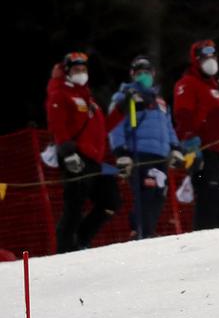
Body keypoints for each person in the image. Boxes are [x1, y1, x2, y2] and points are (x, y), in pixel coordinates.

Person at [45, 51, 117, 252]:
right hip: (75, 155)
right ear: (67, 72)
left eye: (83, 69)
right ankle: (65, 249)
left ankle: (81, 239)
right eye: (76, 69)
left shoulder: (88, 97)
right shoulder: (60, 93)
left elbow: (104, 128)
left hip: (95, 159)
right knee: (74, 207)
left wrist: (121, 110)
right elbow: (57, 124)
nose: (81, 73)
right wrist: (67, 152)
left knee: (109, 202)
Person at [108, 55, 185, 239]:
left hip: (160, 155)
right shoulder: (125, 96)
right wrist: (121, 152)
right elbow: (115, 126)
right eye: (139, 73)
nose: (143, 76)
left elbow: (168, 127)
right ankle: (142, 231)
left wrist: (175, 147)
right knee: (148, 192)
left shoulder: (160, 101)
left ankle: (143, 230)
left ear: (153, 74)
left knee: (158, 194)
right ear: (132, 75)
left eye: (146, 72)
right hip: (139, 153)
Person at [173, 39, 219, 230]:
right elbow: (182, 114)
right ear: (196, 60)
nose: (210, 60)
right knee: (208, 198)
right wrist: (189, 142)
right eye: (205, 57)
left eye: (213, 56)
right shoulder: (188, 83)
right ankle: (203, 237)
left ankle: (212, 232)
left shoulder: (217, 88)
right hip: (203, 149)